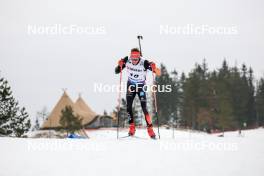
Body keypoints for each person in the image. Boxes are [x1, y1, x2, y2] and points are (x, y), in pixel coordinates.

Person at [115, 48, 161, 139]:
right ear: (130, 56)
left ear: (139, 57)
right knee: (128, 107)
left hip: (140, 87)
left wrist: (154, 67)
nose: (134, 61)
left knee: (144, 108)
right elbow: (117, 71)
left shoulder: (144, 63)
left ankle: (150, 129)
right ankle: (132, 127)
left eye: (136, 58)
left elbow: (158, 73)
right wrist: (119, 65)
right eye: (132, 58)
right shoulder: (127, 60)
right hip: (131, 86)